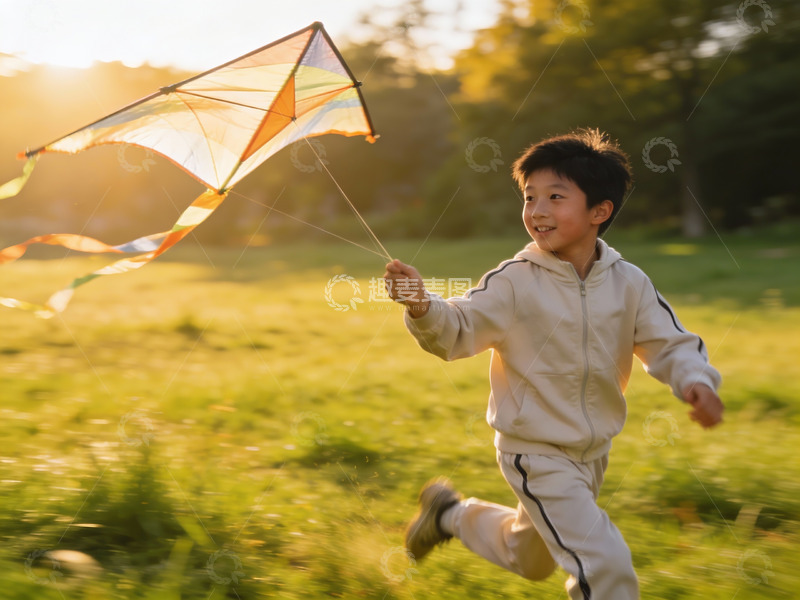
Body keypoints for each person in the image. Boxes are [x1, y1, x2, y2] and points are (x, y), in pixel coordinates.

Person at [382, 129, 724, 600]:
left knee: (530, 558)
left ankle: (448, 515)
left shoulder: (628, 283)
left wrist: (696, 381)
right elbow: (459, 328)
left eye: (555, 197)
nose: (537, 210)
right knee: (604, 563)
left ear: (599, 211)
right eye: (529, 197)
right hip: (534, 451)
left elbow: (669, 343)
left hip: (593, 453)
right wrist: (421, 306)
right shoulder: (514, 281)